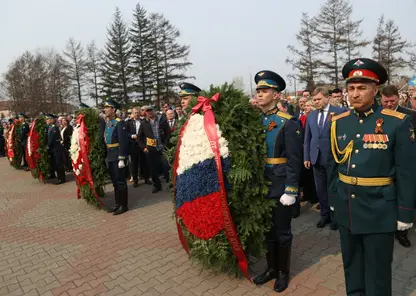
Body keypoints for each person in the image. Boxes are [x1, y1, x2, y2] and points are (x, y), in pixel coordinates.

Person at [327, 58, 416, 296]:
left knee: (377, 274)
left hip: (379, 209)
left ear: (375, 90)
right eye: (351, 88)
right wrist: (334, 200)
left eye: (362, 88)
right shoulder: (339, 123)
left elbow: (407, 171)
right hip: (347, 207)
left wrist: (405, 212)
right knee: (352, 269)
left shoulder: (396, 122)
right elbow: (332, 167)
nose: (355, 94)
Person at [251, 70, 303, 293]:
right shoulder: (256, 121)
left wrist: (291, 189)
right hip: (261, 184)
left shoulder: (287, 122)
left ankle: (283, 272)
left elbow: (294, 158)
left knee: (282, 231)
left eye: (265, 91)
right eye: (258, 91)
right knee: (267, 230)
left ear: (276, 95)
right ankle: (271, 267)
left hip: (280, 184)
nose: (260, 94)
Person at [380, 85, 416, 248]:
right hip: (384, 166)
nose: (389, 104)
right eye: (386, 101)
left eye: (392, 101)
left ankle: (402, 233)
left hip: (404, 164)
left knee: (404, 197)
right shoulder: (376, 115)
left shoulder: (410, 115)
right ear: (381, 99)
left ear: (398, 98)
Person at [304, 88, 344, 230]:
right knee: (320, 189)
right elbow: (308, 138)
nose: (316, 102)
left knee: (333, 188)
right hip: (316, 158)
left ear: (327, 98)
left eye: (319, 99)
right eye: (314, 100)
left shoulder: (339, 112)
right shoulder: (311, 115)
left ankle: (335, 217)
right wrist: (306, 156)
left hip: (333, 157)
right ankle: (324, 215)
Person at [104, 98, 129, 215]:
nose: (105, 109)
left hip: (117, 155)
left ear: (113, 109)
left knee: (120, 182)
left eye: (107, 107)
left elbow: (123, 142)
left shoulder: (120, 123)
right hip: (110, 155)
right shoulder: (109, 123)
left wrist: (122, 158)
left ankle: (123, 205)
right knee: (115, 182)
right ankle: (117, 204)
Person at [137, 106, 170, 193]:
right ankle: (157, 185)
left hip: (162, 148)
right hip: (151, 149)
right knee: (153, 169)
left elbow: (168, 133)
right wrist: (143, 147)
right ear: (145, 113)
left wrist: (165, 144)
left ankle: (169, 184)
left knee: (166, 166)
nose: (149, 112)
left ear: (154, 111)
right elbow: (139, 137)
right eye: (147, 111)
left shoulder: (162, 121)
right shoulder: (144, 123)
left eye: (150, 110)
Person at [45, 114, 66, 184]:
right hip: (52, 149)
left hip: (56, 148)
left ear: (52, 120)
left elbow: (51, 139)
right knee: (54, 163)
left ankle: (61, 178)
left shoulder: (54, 128)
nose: (46, 120)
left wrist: (48, 146)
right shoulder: (49, 127)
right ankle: (53, 175)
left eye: (48, 119)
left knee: (58, 163)